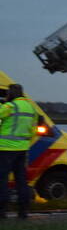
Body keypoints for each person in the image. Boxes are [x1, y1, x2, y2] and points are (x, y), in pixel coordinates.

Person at [0, 84, 37, 219]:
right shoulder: (31, 108)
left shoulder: (10, 106)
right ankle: (23, 211)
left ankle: (2, 211)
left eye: (8, 93)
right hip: (22, 148)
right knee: (21, 180)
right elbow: (33, 131)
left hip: (6, 148)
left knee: (2, 179)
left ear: (12, 94)